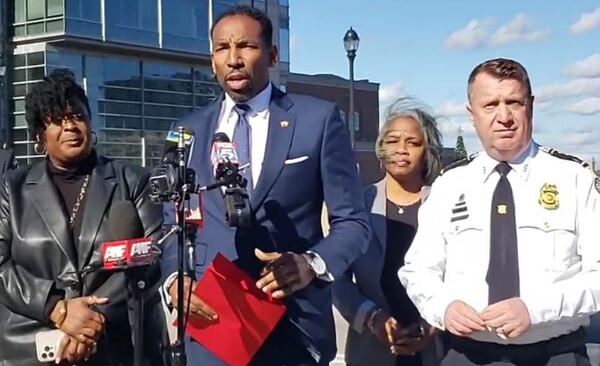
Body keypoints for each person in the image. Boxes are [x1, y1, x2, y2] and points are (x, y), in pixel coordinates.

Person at [159, 5, 370, 366]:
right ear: (212, 61)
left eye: (246, 46)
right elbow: (172, 226)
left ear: (272, 55)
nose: (234, 59)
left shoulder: (317, 120)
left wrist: (311, 263)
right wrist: (175, 277)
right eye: (222, 48)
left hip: (294, 325)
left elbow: (353, 223)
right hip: (214, 326)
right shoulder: (188, 131)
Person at [399, 57, 600, 366]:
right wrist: (444, 307)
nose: (503, 116)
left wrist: (536, 309)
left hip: (556, 353)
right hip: (466, 354)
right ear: (472, 114)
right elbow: (418, 270)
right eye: (490, 105)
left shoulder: (574, 180)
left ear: (530, 105)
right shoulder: (450, 185)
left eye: (514, 102)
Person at [0, 69, 165, 365]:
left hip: (113, 344)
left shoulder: (132, 181)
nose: (71, 127)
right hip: (31, 346)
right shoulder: (12, 189)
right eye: (58, 120)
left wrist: (88, 323)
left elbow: (152, 255)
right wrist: (56, 308)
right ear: (40, 133)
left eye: (77, 116)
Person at [333, 98, 442, 366]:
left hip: (434, 350)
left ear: (427, 151)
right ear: (381, 148)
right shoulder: (359, 203)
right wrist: (372, 318)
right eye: (393, 141)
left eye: (413, 142)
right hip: (371, 350)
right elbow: (338, 279)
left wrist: (434, 325)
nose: (401, 150)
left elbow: (462, 275)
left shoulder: (444, 203)